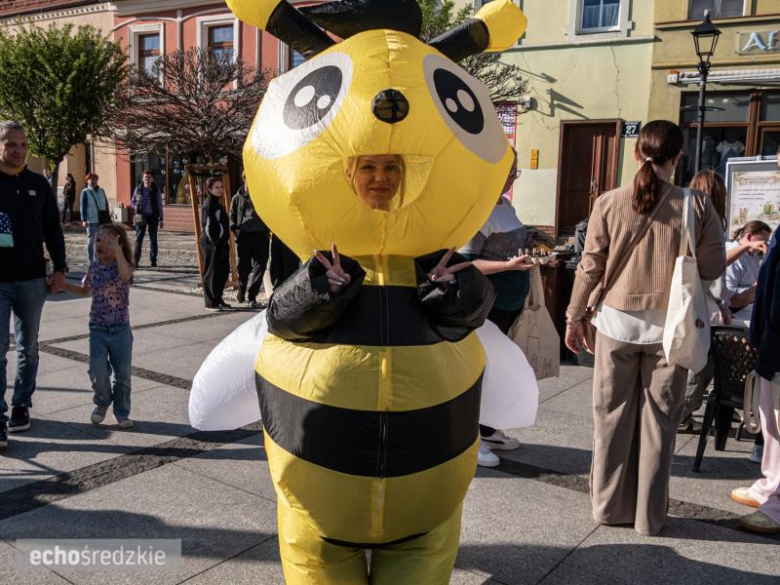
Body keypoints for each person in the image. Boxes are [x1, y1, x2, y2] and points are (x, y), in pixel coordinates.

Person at [264, 153, 494, 583]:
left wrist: (452, 288)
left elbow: (474, 314)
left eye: (392, 168)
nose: (380, 178)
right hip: (321, 477)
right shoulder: (316, 238)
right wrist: (320, 287)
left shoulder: (432, 242)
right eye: (369, 167)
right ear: (348, 174)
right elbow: (278, 318)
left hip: (427, 474)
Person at [565, 120, 725, 536]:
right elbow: (712, 268)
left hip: (615, 323)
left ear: (637, 153)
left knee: (610, 418)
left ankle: (607, 508)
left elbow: (589, 267)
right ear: (678, 157)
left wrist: (574, 316)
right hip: (672, 330)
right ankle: (648, 518)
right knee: (660, 426)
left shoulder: (608, 202)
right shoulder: (697, 205)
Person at [460, 150, 533, 467]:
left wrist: (531, 236)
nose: (512, 178)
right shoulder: (479, 209)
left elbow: (506, 241)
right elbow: (467, 263)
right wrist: (507, 266)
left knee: (498, 368)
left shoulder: (505, 205)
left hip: (509, 304)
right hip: (488, 304)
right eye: (508, 171)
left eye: (515, 172)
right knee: (480, 370)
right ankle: (469, 438)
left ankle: (487, 429)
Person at [0, 121, 67, 447]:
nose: (19, 150)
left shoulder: (38, 184)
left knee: (29, 347)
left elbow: (53, 229)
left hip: (31, 280)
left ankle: (21, 404)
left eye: (23, 144)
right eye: (11, 144)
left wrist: (60, 268)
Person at [730, 226, 780, 534]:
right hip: (771, 340)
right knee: (772, 424)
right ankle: (771, 485)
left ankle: (777, 504)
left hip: (777, 342)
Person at [63, 224, 134, 429]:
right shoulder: (94, 267)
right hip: (98, 329)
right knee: (97, 371)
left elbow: (125, 276)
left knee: (123, 375)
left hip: (120, 329)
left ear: (119, 244)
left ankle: (121, 412)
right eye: (98, 240)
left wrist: (118, 250)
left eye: (107, 240)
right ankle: (103, 402)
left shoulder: (124, 265)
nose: (100, 244)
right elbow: (85, 290)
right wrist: (65, 286)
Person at [679, 170, 731, 433]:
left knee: (687, 360)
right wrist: (723, 303)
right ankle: (680, 414)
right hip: (700, 305)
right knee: (701, 365)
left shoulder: (683, 214)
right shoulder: (713, 221)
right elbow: (714, 271)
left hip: (681, 299)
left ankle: (678, 412)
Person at [229, 171, 269, 308]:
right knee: (244, 268)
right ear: (244, 179)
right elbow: (232, 215)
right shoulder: (237, 198)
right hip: (244, 236)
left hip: (261, 235)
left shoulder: (262, 197)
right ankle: (241, 290)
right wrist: (235, 229)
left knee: (260, 267)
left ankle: (252, 296)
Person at [725, 220, 772, 312]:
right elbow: (729, 294)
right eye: (763, 241)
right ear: (749, 237)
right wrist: (759, 286)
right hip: (733, 311)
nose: (765, 246)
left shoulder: (755, 254)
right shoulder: (732, 257)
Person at [200, 177, 231, 311]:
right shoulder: (209, 205)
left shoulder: (217, 203)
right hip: (211, 244)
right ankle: (210, 302)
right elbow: (207, 225)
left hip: (221, 243)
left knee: (223, 271)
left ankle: (217, 298)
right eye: (216, 187)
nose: (220, 190)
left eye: (221, 187)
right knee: (211, 272)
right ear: (209, 189)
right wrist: (215, 242)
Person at [131, 170, 164, 268]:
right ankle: (135, 261)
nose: (147, 179)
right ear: (143, 178)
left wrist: (161, 218)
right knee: (139, 238)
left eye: (149, 177)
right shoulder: (138, 189)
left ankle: (153, 261)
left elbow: (159, 204)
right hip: (141, 216)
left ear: (152, 179)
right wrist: (135, 207)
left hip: (153, 217)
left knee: (153, 238)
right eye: (145, 177)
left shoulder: (156, 190)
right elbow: (132, 201)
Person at [79, 173, 110, 263]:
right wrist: (83, 219)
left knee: (102, 240)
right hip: (91, 220)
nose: (93, 181)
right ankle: (91, 261)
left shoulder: (101, 191)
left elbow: (106, 204)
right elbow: (83, 206)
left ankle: (100, 259)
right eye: (91, 179)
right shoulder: (85, 192)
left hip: (102, 219)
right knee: (91, 240)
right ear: (87, 181)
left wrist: (107, 215)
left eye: (95, 179)